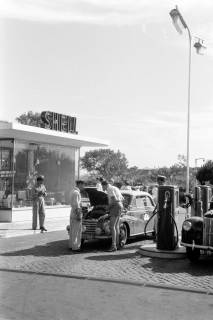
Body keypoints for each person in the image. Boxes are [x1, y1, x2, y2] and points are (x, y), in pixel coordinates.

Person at [101, 180, 124, 251]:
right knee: (116, 226)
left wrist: (108, 207)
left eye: (102, 186)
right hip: (120, 205)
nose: (102, 188)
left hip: (115, 206)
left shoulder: (109, 189)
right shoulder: (115, 188)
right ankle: (117, 244)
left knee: (112, 226)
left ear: (104, 185)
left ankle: (113, 246)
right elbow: (122, 198)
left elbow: (114, 200)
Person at [69, 180, 85, 252]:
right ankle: (76, 247)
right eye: (83, 185)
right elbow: (77, 205)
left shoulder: (72, 191)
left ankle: (71, 245)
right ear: (80, 184)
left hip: (72, 212)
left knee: (72, 230)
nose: (83, 187)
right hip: (76, 212)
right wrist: (79, 215)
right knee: (77, 231)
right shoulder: (76, 193)